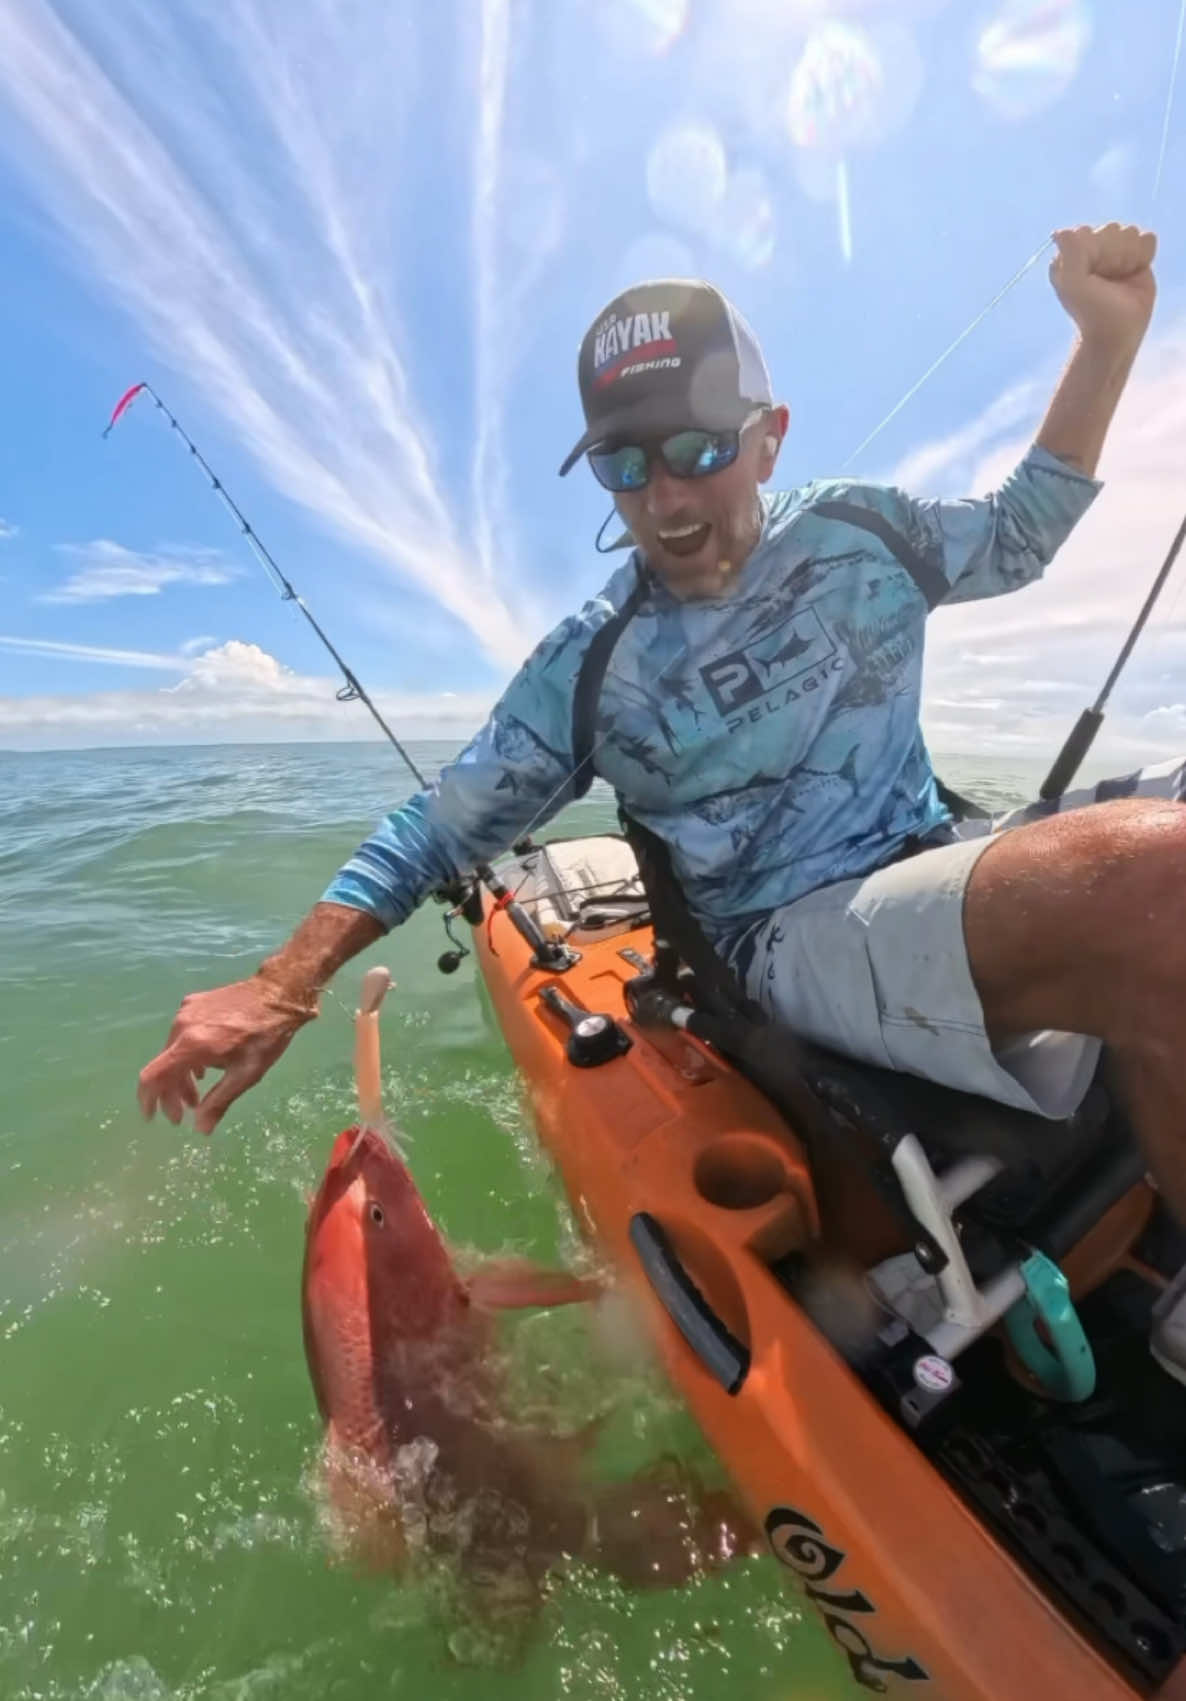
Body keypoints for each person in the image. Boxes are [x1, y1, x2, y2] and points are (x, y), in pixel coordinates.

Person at [140, 223, 1186, 1226]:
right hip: (782, 938)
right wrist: (282, 983)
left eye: (696, 447)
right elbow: (434, 830)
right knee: (1157, 880)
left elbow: (1017, 538)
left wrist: (1105, 339)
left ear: (770, 440)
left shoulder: (859, 528)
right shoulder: (591, 662)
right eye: (625, 466)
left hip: (936, 847)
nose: (666, 497)